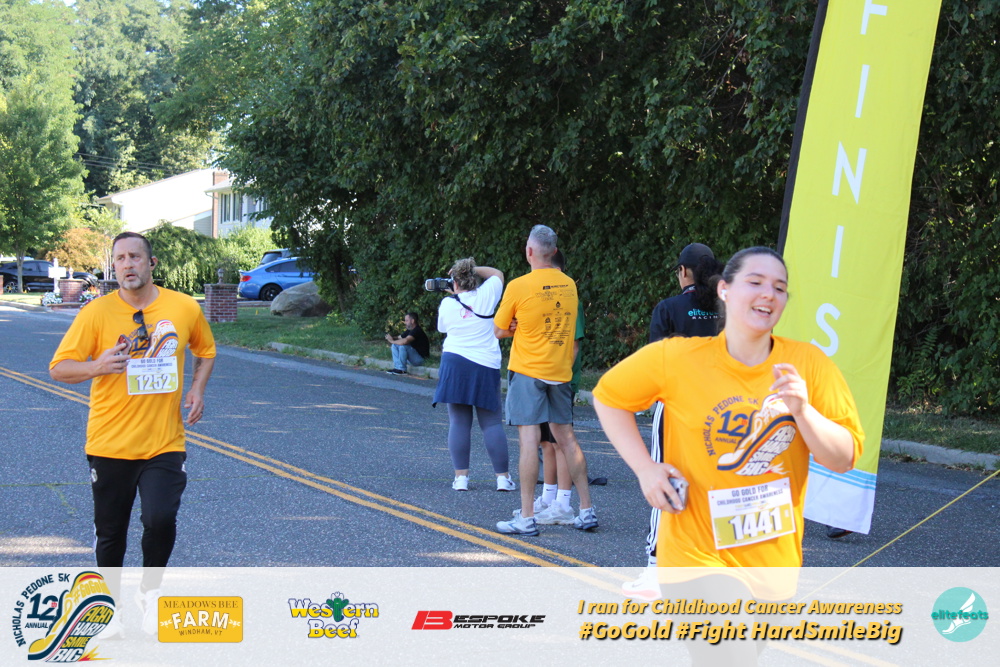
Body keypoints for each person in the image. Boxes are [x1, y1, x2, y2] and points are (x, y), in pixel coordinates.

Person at [593, 246, 863, 665]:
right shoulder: (678, 358)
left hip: (773, 566)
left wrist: (803, 411)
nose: (768, 293)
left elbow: (843, 458)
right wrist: (645, 469)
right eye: (755, 282)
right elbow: (609, 396)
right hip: (695, 558)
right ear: (724, 290)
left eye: (779, 287)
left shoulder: (808, 364)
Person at [49, 231, 216, 638]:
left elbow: (205, 351)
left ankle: (149, 593)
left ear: (151, 263)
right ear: (114, 266)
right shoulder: (96, 313)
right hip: (110, 443)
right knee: (111, 534)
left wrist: (197, 389)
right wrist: (96, 366)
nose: (127, 264)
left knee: (160, 518)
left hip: (164, 442)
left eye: (135, 257)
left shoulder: (182, 307)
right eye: (120, 258)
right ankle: (110, 609)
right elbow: (59, 368)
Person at [623, 242, 723, 600]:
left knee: (663, 480)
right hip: (724, 412)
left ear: (683, 272)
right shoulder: (728, 309)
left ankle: (655, 569)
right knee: (714, 486)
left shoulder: (668, 308)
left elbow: (655, 366)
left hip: (678, 409)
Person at [493, 225, 597, 536]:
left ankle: (526, 517)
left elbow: (499, 330)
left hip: (528, 371)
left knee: (528, 441)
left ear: (529, 252)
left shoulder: (519, 286)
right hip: (560, 372)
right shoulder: (569, 285)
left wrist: (515, 327)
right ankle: (586, 509)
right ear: (554, 252)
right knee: (567, 440)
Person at [432, 258, 515, 492]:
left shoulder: (447, 303)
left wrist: (457, 287)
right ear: (473, 278)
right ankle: (502, 478)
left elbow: (442, 328)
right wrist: (472, 269)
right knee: (491, 423)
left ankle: (461, 478)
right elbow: (497, 273)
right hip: (484, 364)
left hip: (454, 362)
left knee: (459, 422)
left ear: (455, 282)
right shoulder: (487, 294)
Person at [533, 249, 588, 525]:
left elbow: (574, 345)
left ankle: (564, 503)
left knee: (560, 442)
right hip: (543, 377)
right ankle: (548, 496)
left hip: (560, 379)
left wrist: (561, 375)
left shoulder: (569, 298)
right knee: (545, 441)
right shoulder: (545, 297)